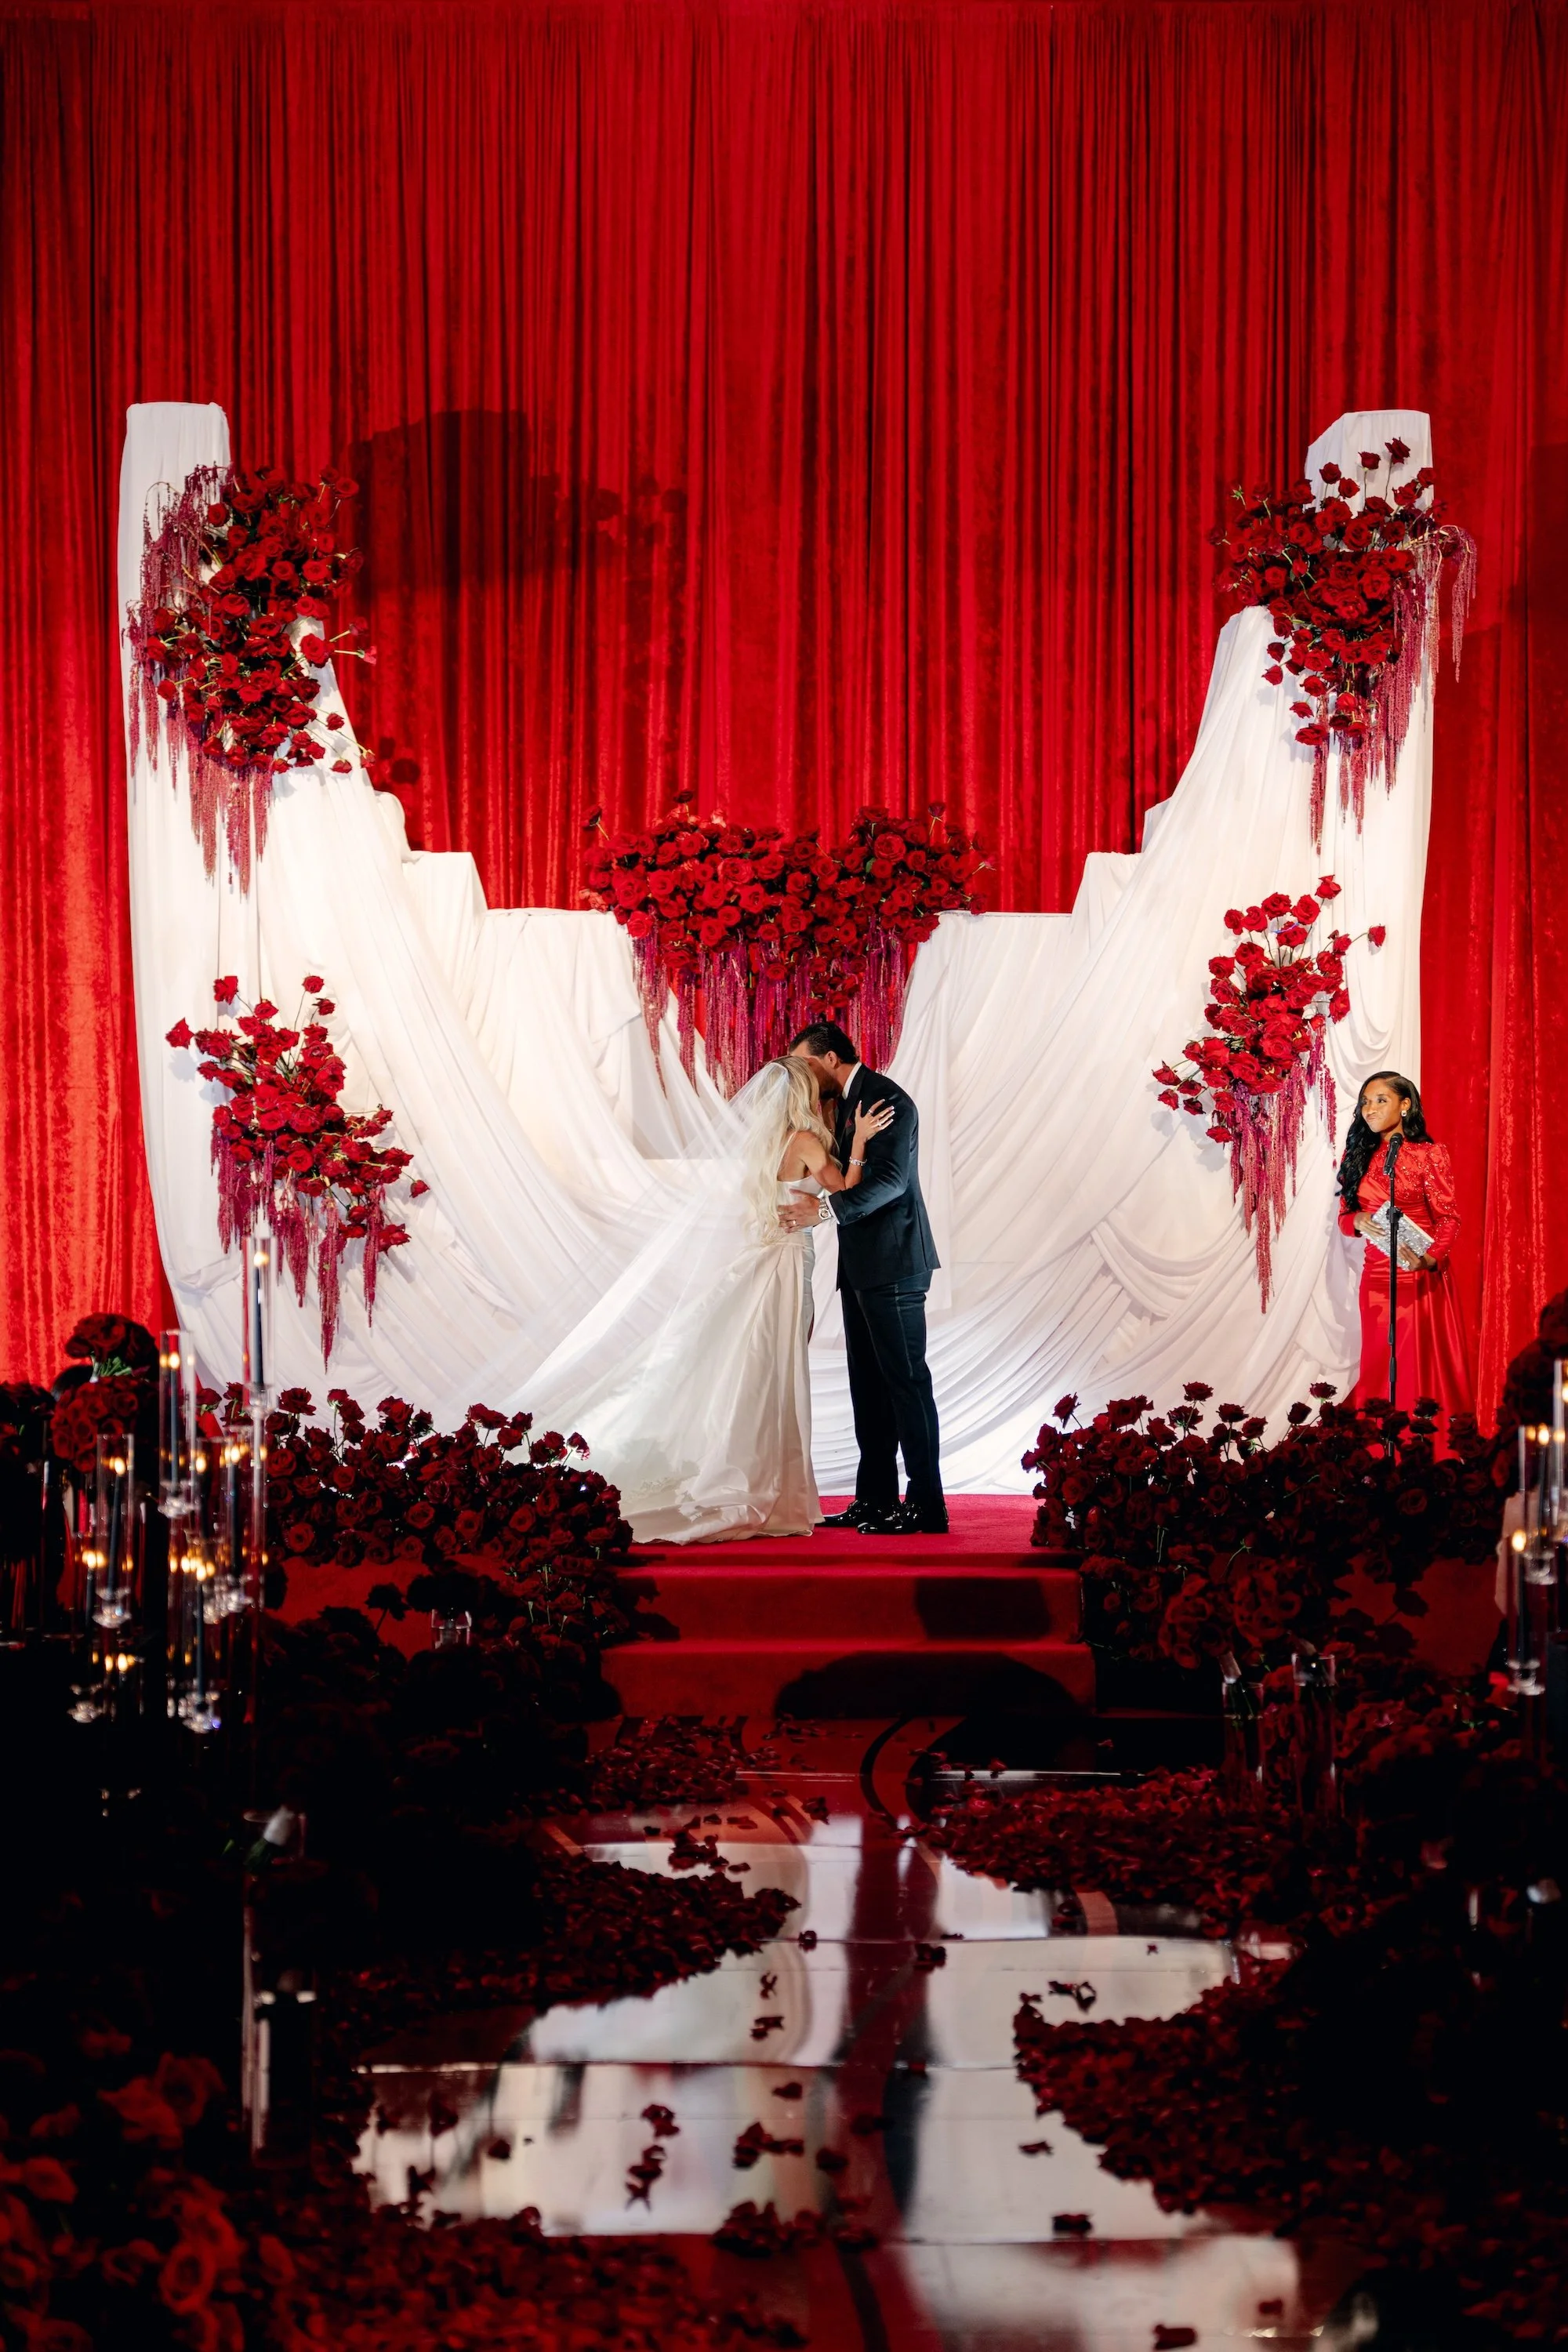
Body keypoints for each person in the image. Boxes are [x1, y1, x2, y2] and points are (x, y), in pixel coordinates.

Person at [519, 1054, 892, 1543]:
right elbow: (845, 1188)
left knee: (761, 1368)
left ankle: (767, 1482)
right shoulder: (804, 1141)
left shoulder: (762, 1145)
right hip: (787, 1262)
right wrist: (860, 1143)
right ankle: (775, 1490)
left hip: (766, 1256)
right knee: (779, 1369)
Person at [779, 1019, 946, 1534]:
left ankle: (925, 1505)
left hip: (896, 1264)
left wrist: (826, 1213)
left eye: (805, 1064)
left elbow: (893, 1181)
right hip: (860, 1268)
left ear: (830, 1059)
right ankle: (874, 1500)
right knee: (867, 1389)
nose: (801, 1076)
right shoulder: (847, 1103)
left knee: (906, 1383)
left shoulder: (884, 1097)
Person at [1336, 1069, 1472, 1420]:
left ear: (1406, 1105)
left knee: (1415, 1365)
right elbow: (1344, 1218)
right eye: (1366, 1102)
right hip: (1376, 1279)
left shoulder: (1429, 1154)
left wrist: (1428, 1258)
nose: (1370, 1109)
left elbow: (1448, 1218)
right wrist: (1356, 1221)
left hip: (1419, 1276)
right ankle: (1379, 1447)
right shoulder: (1358, 1156)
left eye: (1381, 1100)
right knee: (1379, 1360)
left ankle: (1421, 1445)